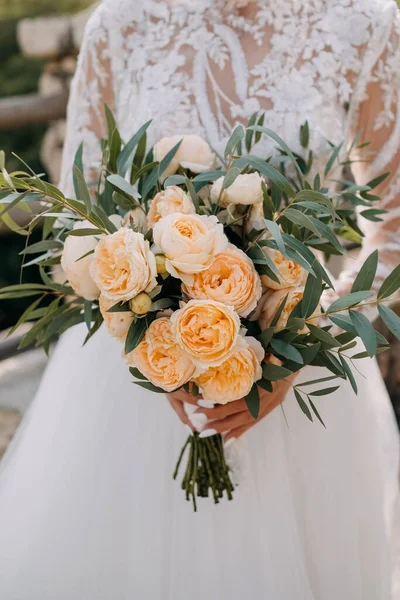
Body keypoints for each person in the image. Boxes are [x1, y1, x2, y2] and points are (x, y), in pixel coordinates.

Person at [0, 0, 399, 598]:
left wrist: (300, 350)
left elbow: (392, 229)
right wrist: (159, 340)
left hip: (307, 388)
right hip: (130, 385)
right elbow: (78, 222)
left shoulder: (365, 26)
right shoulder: (121, 24)